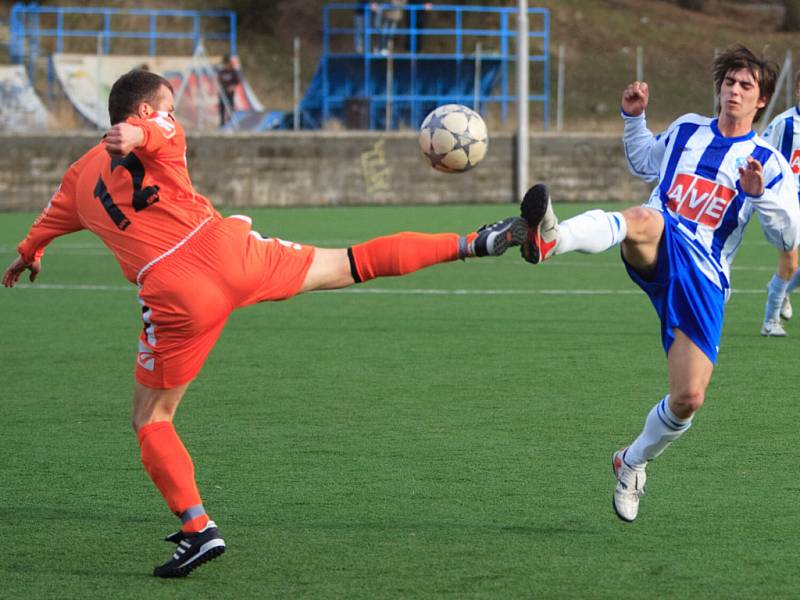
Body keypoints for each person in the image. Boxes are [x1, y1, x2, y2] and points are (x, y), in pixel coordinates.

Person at [2, 69, 528, 577]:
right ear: (143, 108)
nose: (173, 115)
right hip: (231, 251)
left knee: (152, 419)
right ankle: (472, 243)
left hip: (177, 290)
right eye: (167, 105)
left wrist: (30, 250)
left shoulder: (81, 174)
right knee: (348, 262)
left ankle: (197, 527)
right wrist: (139, 132)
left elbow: (55, 211)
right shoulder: (157, 131)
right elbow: (159, 131)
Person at [516, 45, 800, 522]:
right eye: (728, 82)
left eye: (745, 85)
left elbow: (790, 233)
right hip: (662, 238)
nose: (733, 90)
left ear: (761, 99)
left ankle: (632, 461)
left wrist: (761, 194)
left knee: (688, 398)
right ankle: (552, 239)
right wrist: (634, 119)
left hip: (706, 277)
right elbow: (647, 160)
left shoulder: (767, 162)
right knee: (644, 217)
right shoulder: (687, 128)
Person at [759, 69, 800, 336]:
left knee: (791, 268)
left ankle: (782, 288)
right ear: (797, 90)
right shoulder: (783, 124)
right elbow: (759, 154)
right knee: (790, 263)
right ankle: (770, 321)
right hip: (787, 204)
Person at [216, 54, 240, 127]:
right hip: (223, 93)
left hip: (230, 93)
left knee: (230, 106)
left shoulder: (233, 72)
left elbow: (237, 81)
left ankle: (230, 120)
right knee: (222, 107)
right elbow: (219, 80)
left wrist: (232, 87)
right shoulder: (222, 72)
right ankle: (222, 122)